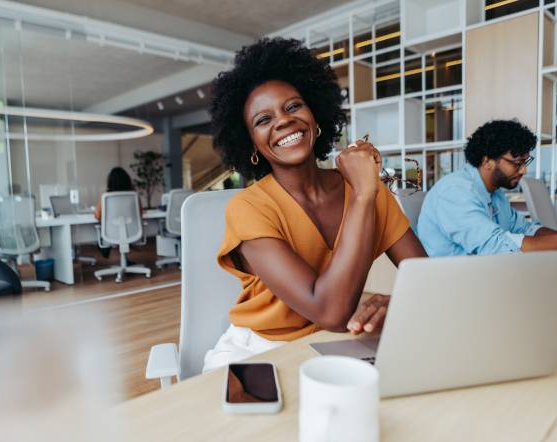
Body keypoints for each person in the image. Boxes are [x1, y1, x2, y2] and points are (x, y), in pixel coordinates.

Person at [203, 38, 427, 371]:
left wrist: (397, 305)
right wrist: (364, 195)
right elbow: (329, 311)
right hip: (261, 352)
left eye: (293, 106)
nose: (282, 120)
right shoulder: (249, 208)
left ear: (316, 115)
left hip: (340, 341)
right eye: (263, 120)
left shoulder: (367, 188)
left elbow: (429, 281)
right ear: (251, 143)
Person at [417, 119, 557, 256]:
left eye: (525, 162)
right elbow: (498, 247)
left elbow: (526, 229)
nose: (523, 170)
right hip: (456, 276)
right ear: (487, 161)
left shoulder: (496, 194)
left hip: (486, 271)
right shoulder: (455, 192)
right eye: (517, 163)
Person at [95, 167, 135, 258]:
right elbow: (140, 213)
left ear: (110, 181)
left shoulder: (106, 197)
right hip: (132, 234)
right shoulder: (133, 196)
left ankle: (106, 248)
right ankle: (125, 262)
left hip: (111, 234)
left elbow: (97, 215)